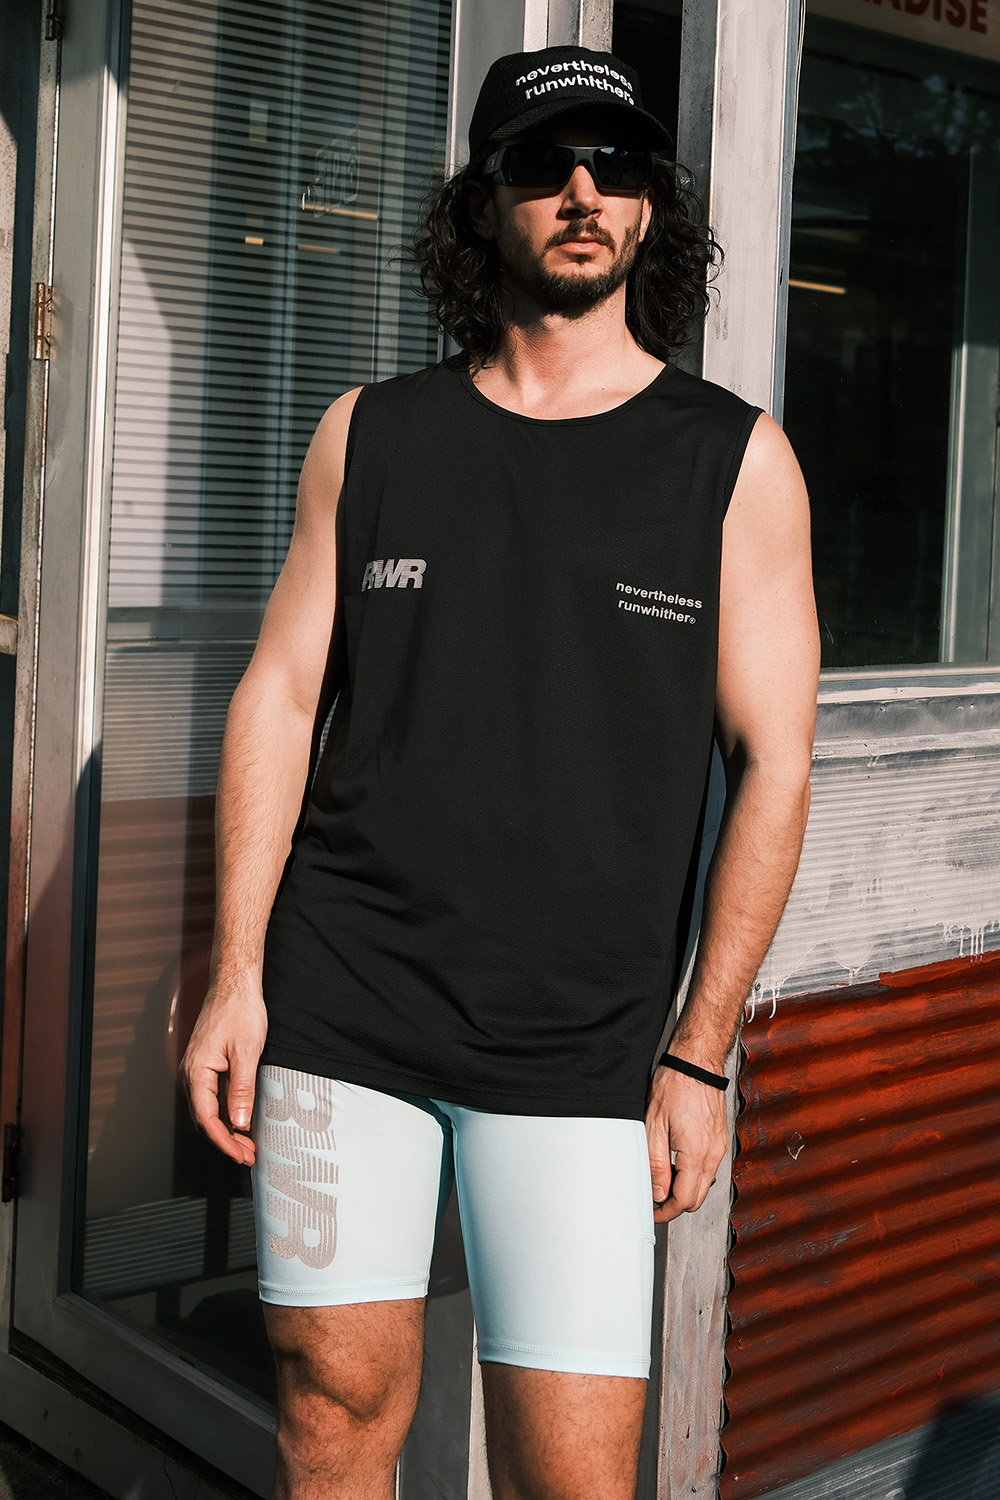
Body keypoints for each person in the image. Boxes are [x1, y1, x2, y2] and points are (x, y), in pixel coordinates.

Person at [182, 44, 819, 1500]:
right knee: (332, 1413)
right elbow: (279, 697)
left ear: (653, 206)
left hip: (584, 1046)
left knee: (570, 1477)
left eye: (617, 163)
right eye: (542, 163)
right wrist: (235, 972)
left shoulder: (731, 462)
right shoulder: (372, 435)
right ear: (483, 203)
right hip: (347, 1007)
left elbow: (776, 766)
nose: (582, 190)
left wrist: (699, 1052)